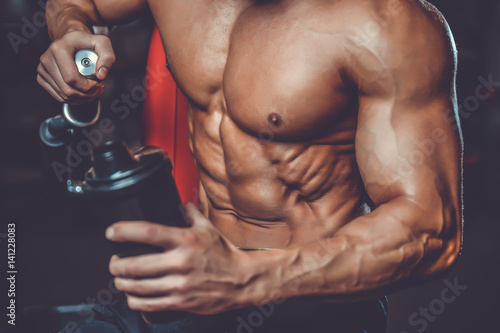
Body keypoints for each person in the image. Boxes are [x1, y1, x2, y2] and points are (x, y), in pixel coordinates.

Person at [37, 0, 463, 332]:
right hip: (189, 276)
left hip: (311, 297)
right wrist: (71, 36)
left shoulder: (387, 22)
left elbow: (431, 228)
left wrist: (244, 276)